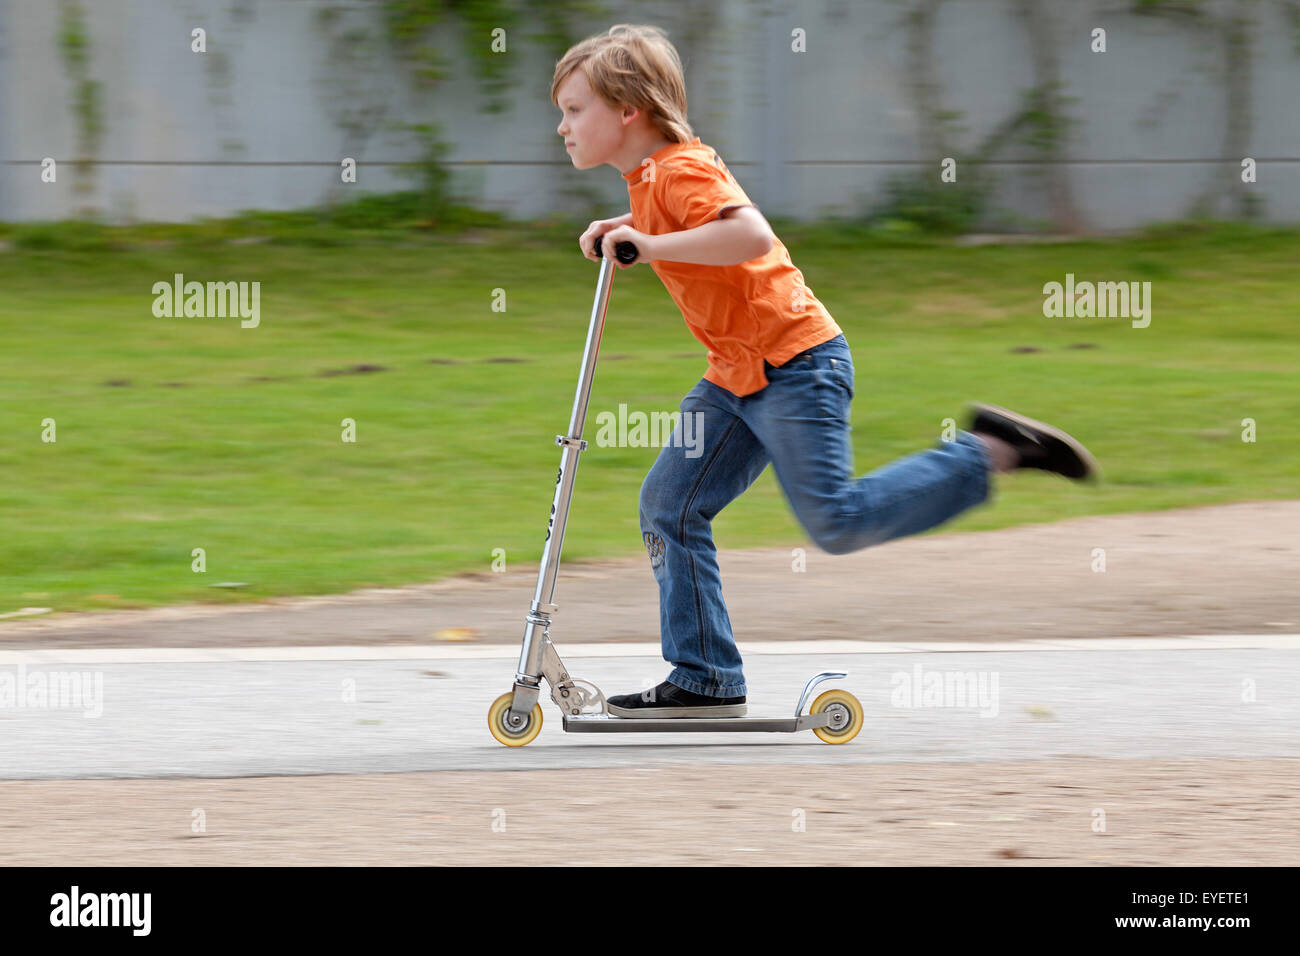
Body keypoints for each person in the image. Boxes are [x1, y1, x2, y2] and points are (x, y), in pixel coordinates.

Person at [551, 24, 1098, 719]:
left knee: (836, 521)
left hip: (796, 365)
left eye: (574, 110)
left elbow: (748, 233)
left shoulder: (685, 168)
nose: (563, 128)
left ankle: (990, 453)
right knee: (671, 505)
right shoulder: (653, 178)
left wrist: (650, 242)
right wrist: (628, 226)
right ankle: (705, 678)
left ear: (628, 110)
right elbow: (677, 223)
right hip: (737, 374)